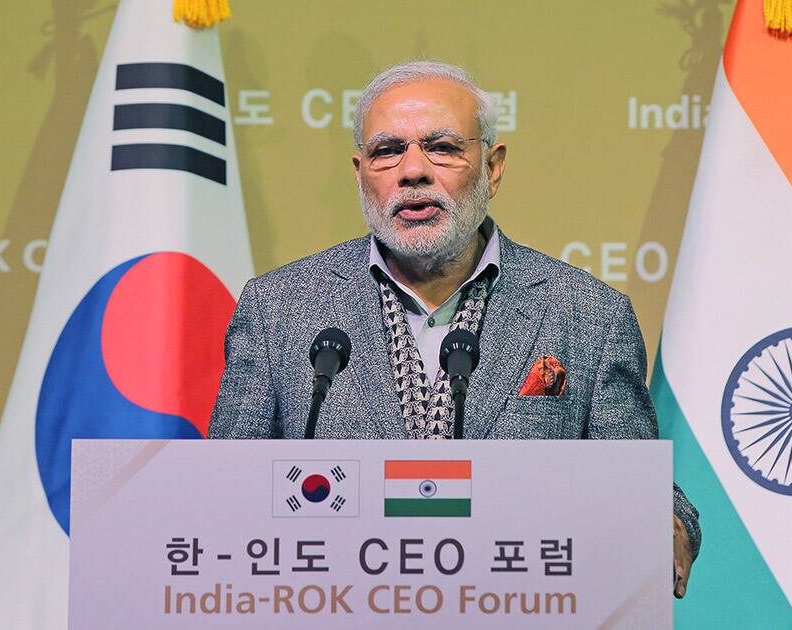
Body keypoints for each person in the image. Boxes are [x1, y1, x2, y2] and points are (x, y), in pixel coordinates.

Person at [208, 60, 700, 597]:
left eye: (441, 148)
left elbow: (639, 486)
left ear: (492, 167)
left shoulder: (588, 316)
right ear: (359, 174)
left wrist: (668, 521)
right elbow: (223, 490)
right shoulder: (279, 309)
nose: (413, 171)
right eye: (387, 151)